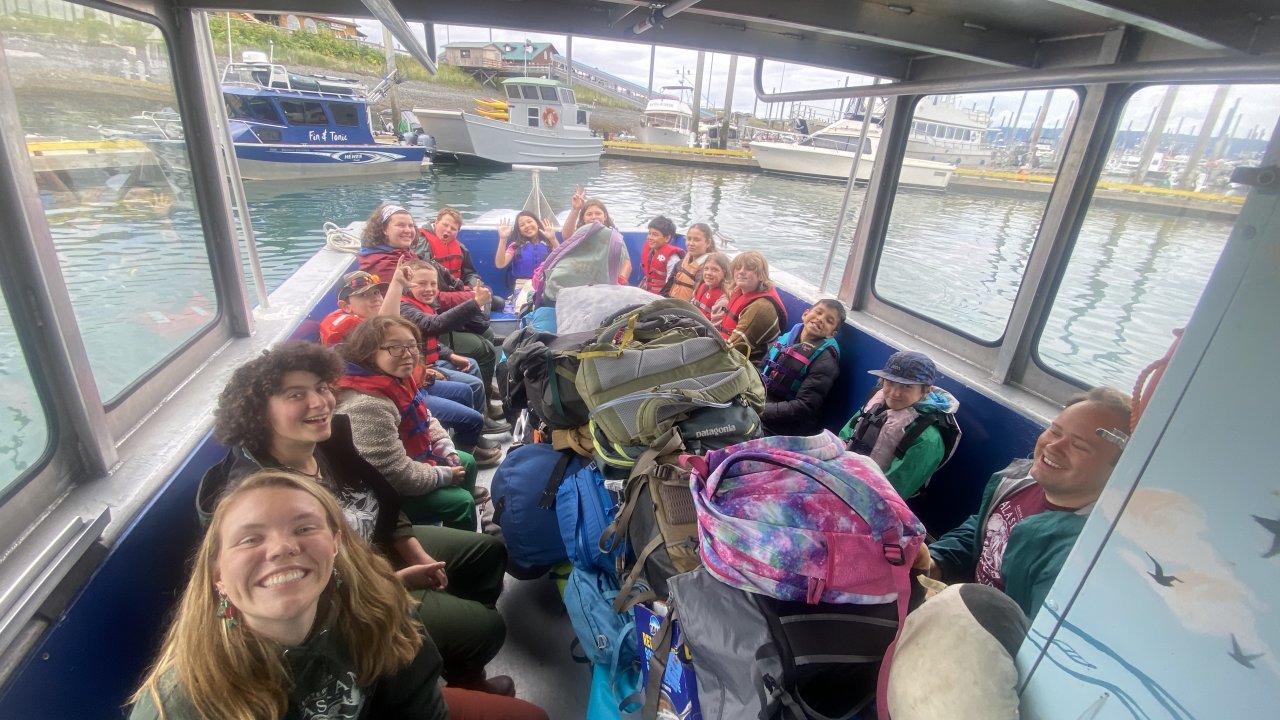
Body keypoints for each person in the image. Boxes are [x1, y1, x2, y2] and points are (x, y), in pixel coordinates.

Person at [196, 343, 518, 696]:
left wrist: (414, 551)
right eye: (295, 395)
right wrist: (395, 582)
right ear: (259, 414)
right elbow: (297, 599)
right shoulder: (260, 497)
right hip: (345, 598)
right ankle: (462, 665)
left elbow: (378, 496)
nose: (319, 403)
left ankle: (457, 662)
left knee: (487, 554)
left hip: (373, 548)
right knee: (486, 627)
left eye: (321, 388)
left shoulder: (324, 440)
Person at [132, 471, 450, 719]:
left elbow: (418, 707)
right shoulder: (180, 704)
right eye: (250, 539)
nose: (283, 548)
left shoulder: (380, 608)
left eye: (304, 529)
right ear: (220, 577)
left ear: (335, 545)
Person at [914, 387, 1131, 616]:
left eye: (1079, 445)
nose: (1052, 446)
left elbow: (1034, 634)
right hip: (962, 598)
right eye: (1055, 431)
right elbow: (988, 527)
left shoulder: (1086, 553)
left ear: (1122, 469)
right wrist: (938, 559)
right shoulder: (1023, 480)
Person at [336, 317, 496, 527]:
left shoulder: (398, 378)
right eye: (395, 347)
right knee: (461, 502)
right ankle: (452, 545)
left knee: (466, 462)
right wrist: (442, 476)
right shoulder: (366, 404)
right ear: (369, 352)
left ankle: (444, 523)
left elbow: (424, 415)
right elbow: (394, 475)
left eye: (412, 346)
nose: (409, 354)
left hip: (412, 461)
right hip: (383, 494)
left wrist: (446, 448)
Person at [400, 260, 508, 438]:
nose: (429, 288)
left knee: (471, 364)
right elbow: (433, 325)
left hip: (432, 362)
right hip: (424, 371)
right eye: (421, 284)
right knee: (473, 384)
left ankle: (481, 418)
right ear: (407, 285)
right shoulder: (405, 308)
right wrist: (475, 303)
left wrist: (450, 354)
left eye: (433, 284)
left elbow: (429, 341)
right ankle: (474, 426)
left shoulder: (424, 303)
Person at [839, 351, 961, 499]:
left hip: (871, 499)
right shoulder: (876, 404)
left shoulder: (927, 437)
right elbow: (844, 437)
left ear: (926, 390)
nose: (895, 393)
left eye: (907, 386)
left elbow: (895, 491)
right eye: (890, 382)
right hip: (843, 476)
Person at [760, 298, 845, 436]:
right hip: (761, 402)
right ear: (805, 314)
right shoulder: (787, 338)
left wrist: (761, 409)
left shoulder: (825, 361)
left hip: (785, 426)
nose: (820, 319)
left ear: (831, 334)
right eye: (818, 312)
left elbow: (805, 407)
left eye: (829, 320)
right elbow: (760, 368)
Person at [420, 207, 506, 312]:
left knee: (488, 293)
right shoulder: (421, 244)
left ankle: (478, 307)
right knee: (487, 300)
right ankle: (478, 312)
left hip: (455, 291)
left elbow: (470, 273)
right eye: (445, 225)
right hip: (434, 294)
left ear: (458, 231)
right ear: (436, 222)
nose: (448, 230)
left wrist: (473, 285)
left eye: (453, 228)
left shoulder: (461, 248)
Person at [720, 250, 787, 364]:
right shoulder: (741, 293)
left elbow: (733, 349)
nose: (741, 272)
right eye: (738, 268)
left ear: (761, 275)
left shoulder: (760, 309)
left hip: (746, 366)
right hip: (729, 354)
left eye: (749, 269)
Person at [561, 184, 632, 282]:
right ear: (583, 219)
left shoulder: (614, 237)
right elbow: (567, 237)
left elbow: (627, 263)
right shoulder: (580, 235)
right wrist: (575, 209)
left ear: (605, 217)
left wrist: (620, 282)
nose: (594, 217)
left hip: (607, 283)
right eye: (589, 214)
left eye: (598, 213)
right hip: (582, 281)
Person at [318, 268, 404, 346]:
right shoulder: (352, 332)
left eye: (376, 292)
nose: (375, 299)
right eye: (363, 295)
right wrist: (397, 284)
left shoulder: (370, 319)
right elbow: (390, 331)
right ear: (345, 306)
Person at [495, 210, 558, 281]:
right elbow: (500, 264)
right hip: (522, 284)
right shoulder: (515, 246)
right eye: (522, 225)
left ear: (537, 224)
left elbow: (563, 259)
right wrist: (503, 239)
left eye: (529, 221)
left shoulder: (549, 244)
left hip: (545, 283)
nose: (527, 226)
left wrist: (553, 239)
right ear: (520, 231)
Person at [664, 222, 714, 301]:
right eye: (689, 239)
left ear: (708, 243)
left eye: (696, 240)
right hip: (672, 305)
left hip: (688, 311)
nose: (691, 243)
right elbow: (666, 290)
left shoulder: (707, 271)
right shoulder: (680, 264)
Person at [639, 215, 684, 294]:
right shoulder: (651, 251)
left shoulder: (673, 259)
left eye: (655, 234)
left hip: (659, 296)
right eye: (649, 233)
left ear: (667, 238)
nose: (650, 237)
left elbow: (670, 286)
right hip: (645, 290)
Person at [692, 251, 731, 323]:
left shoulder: (723, 301)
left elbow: (715, 328)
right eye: (706, 269)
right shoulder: (701, 287)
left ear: (725, 273)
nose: (708, 273)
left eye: (715, 270)